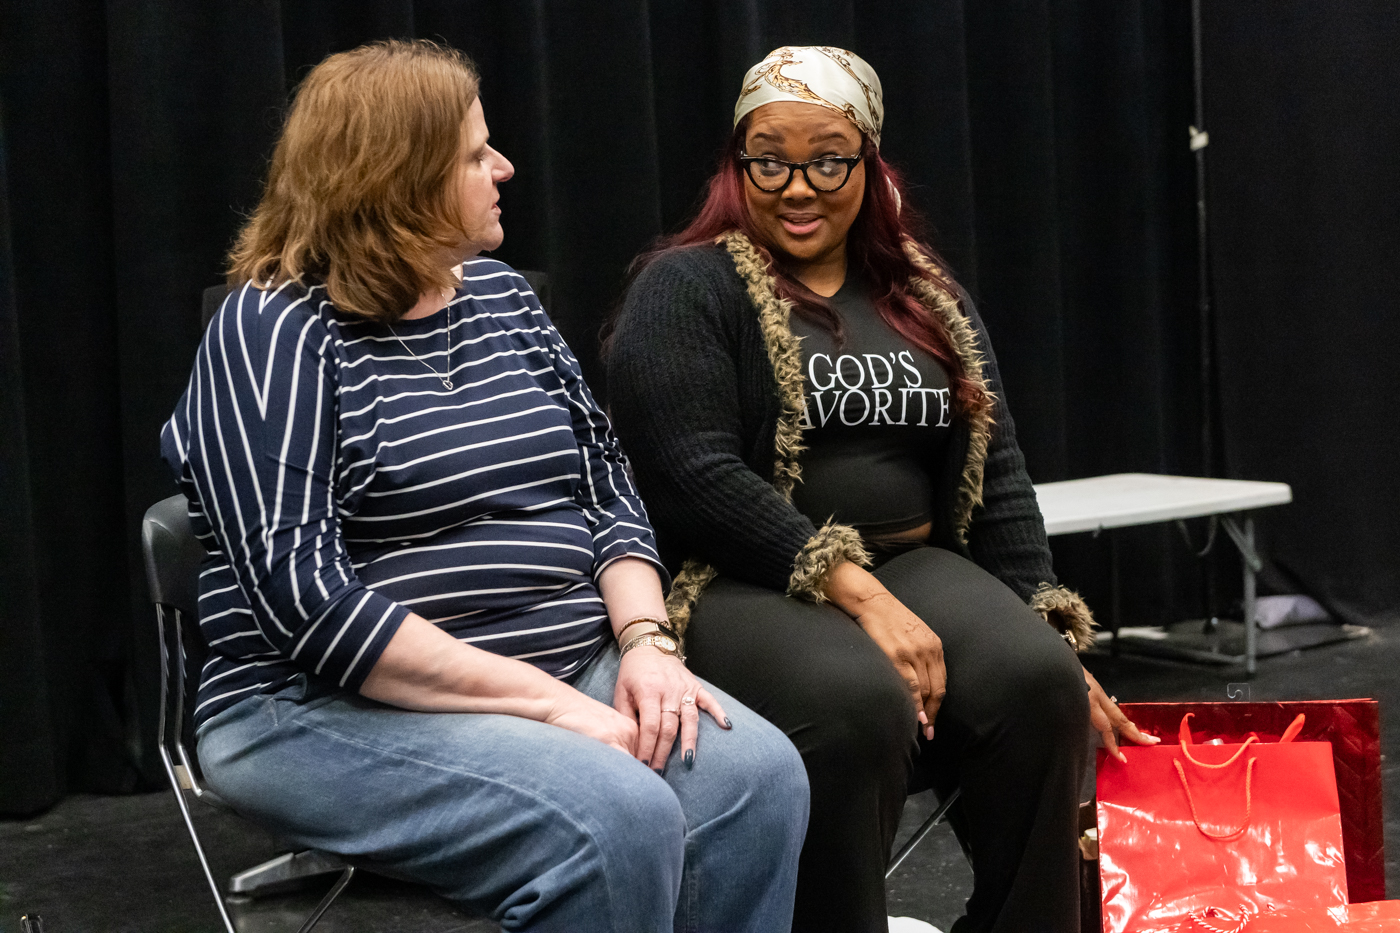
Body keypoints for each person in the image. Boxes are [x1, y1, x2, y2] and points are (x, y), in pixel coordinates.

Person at [159, 40, 808, 933]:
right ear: (396, 181)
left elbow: (606, 490)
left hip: (566, 660)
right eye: (474, 155)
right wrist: (550, 705)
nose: (503, 167)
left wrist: (648, 643)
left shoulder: (503, 298)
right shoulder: (271, 331)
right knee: (614, 820)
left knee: (759, 781)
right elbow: (306, 603)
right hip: (316, 705)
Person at [606, 46, 1158, 933]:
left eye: (828, 160)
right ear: (737, 166)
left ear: (869, 164)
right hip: (743, 575)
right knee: (855, 702)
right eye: (770, 161)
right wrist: (859, 593)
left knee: (1040, 682)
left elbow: (998, 475)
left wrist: (1052, 633)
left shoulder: (925, 294)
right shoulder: (686, 286)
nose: (798, 187)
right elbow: (693, 477)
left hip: (914, 559)